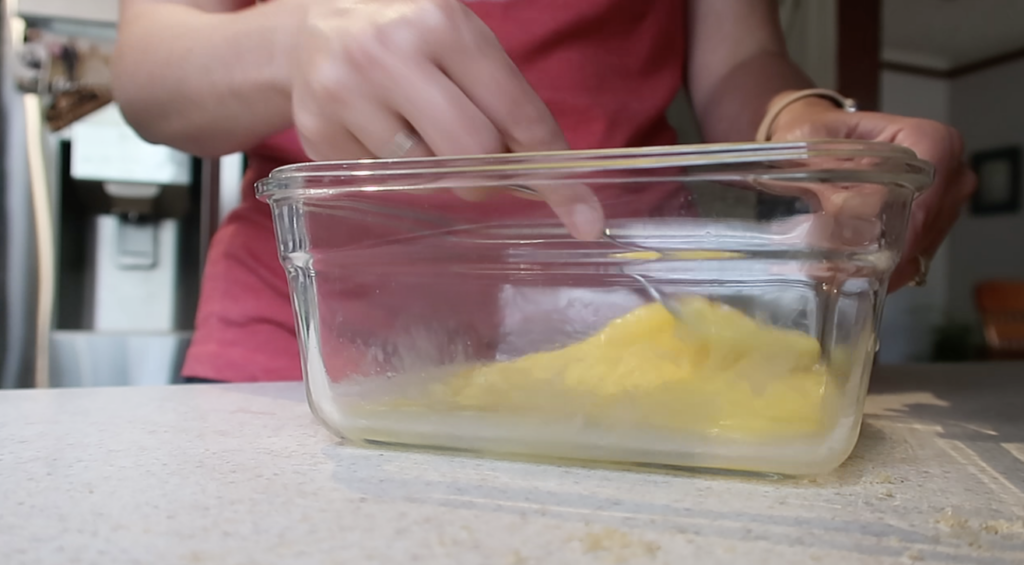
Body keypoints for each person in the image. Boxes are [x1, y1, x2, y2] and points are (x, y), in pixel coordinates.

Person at [112, 0, 975, 383]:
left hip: (631, 343)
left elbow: (738, 57)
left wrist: (804, 127)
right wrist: (296, 40)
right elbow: (148, 72)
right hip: (306, 353)